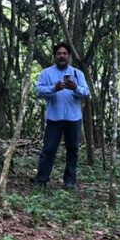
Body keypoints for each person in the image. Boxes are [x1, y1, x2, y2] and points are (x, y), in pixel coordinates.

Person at [35, 42, 90, 188]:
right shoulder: (46, 73)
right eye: (59, 53)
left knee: (73, 150)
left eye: (65, 53)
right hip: (54, 118)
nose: (62, 56)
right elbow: (39, 91)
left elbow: (86, 93)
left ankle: (70, 181)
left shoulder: (78, 74)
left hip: (73, 118)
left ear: (69, 56)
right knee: (48, 150)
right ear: (54, 56)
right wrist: (54, 88)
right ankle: (41, 180)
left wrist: (75, 88)